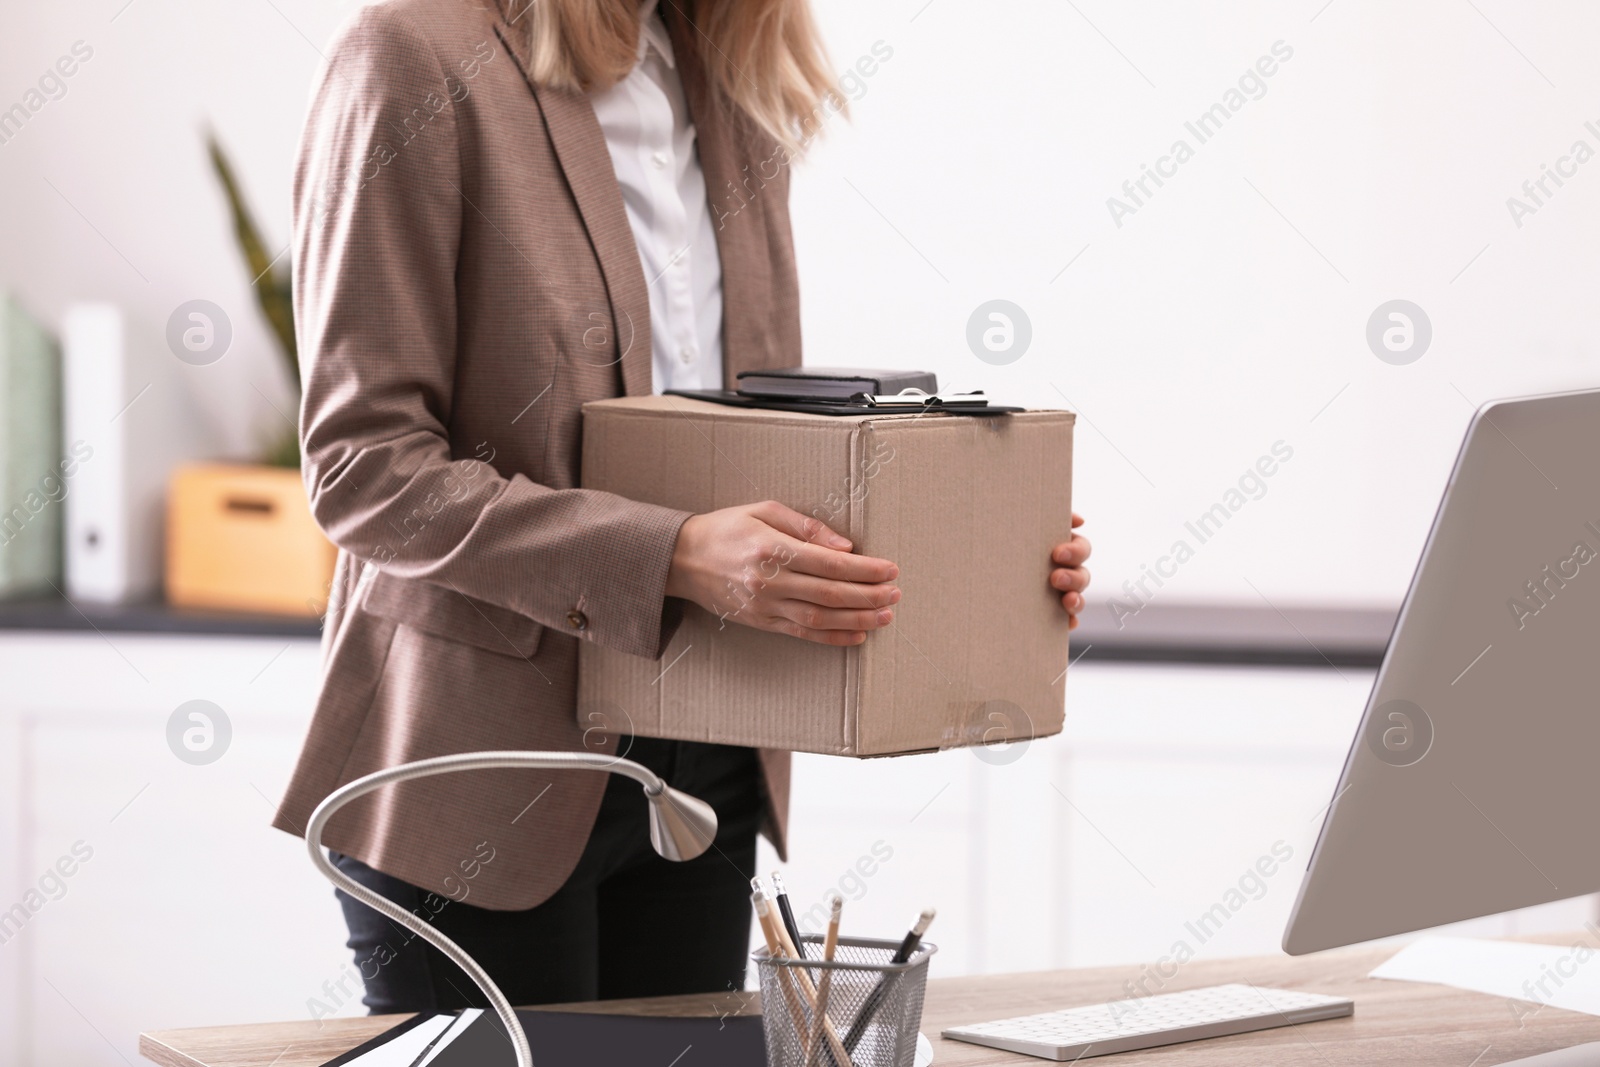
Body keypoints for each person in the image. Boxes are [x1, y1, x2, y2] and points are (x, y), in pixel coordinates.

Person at [272, 0, 1093, 1014]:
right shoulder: (409, 54)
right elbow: (366, 468)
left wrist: (985, 556)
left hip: (711, 752)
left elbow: (749, 434)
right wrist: (667, 556)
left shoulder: (732, 84)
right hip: (482, 765)